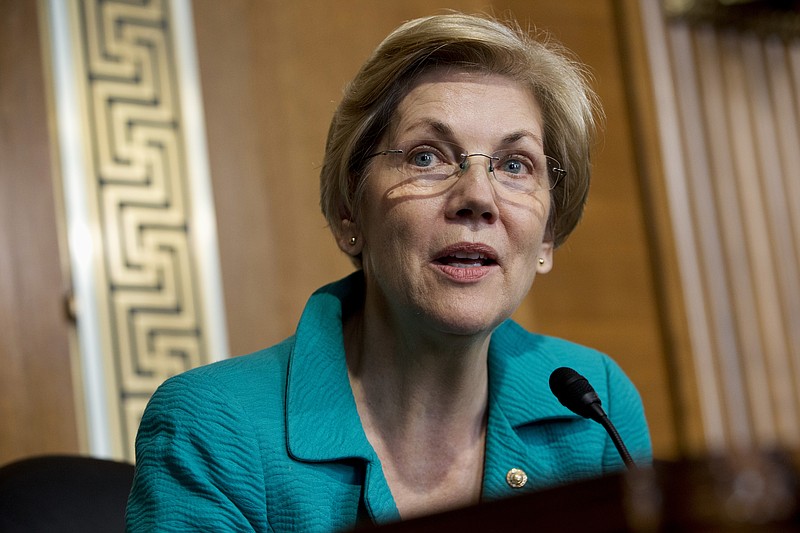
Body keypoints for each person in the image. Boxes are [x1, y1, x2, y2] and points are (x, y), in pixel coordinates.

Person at [126, 12, 651, 532]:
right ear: (350, 210)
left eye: (515, 164)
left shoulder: (593, 410)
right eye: (427, 157)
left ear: (547, 234)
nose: (478, 197)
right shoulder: (215, 429)